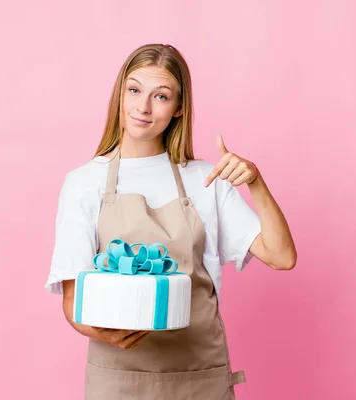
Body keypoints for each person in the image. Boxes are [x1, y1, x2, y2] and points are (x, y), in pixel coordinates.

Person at [45, 43, 297, 399]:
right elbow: (73, 300)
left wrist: (255, 181)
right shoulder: (84, 182)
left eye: (160, 96)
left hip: (198, 377)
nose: (143, 107)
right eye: (134, 90)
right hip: (120, 378)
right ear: (120, 94)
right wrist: (104, 333)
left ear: (179, 108)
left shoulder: (206, 180)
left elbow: (282, 256)